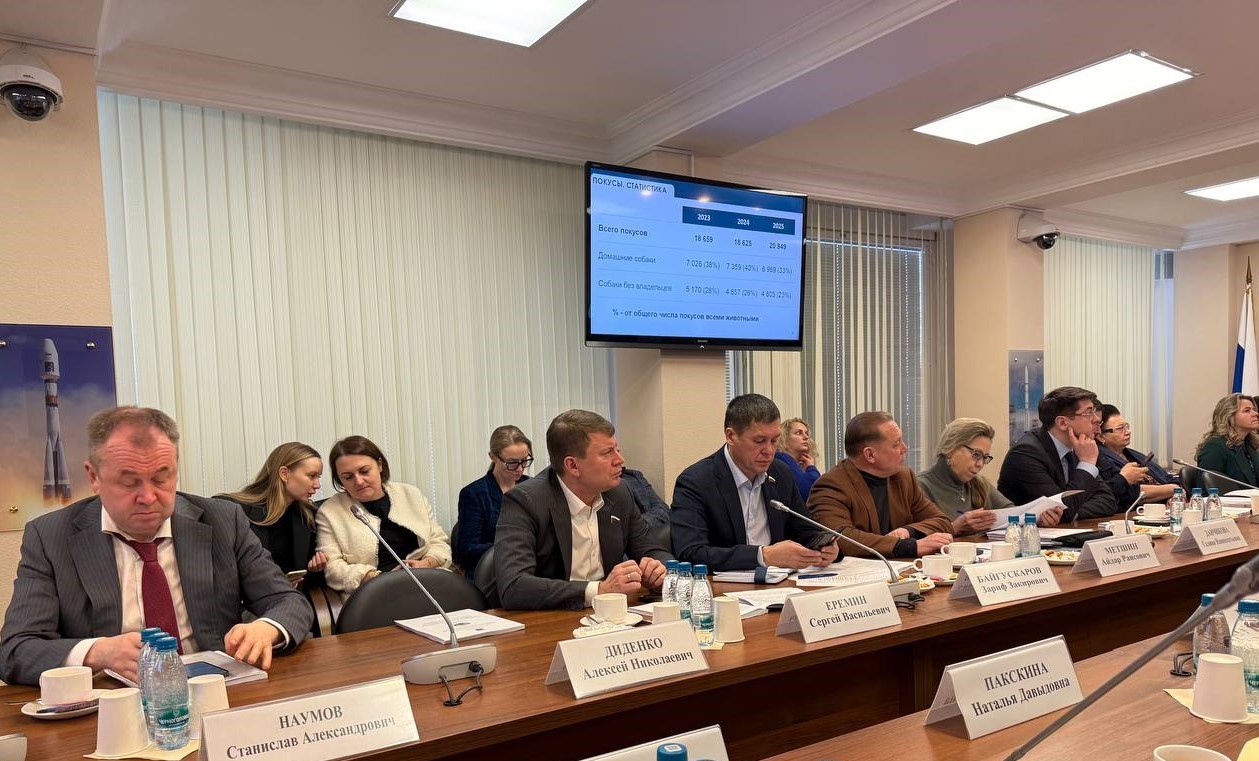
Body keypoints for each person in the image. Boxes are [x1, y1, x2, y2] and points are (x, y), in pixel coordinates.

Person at [0, 406, 311, 687]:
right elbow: (15, 650)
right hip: (113, 704)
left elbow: (289, 601)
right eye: (129, 482)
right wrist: (99, 652)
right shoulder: (51, 536)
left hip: (215, 691)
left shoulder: (222, 520)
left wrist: (266, 628)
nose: (148, 497)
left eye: (162, 478)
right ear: (94, 477)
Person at [493, 410, 672, 610]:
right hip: (550, 617)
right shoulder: (526, 501)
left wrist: (660, 569)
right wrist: (598, 591)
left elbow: (652, 549)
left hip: (610, 615)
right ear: (573, 466)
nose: (620, 460)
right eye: (607, 453)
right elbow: (514, 587)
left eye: (617, 449)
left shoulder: (619, 492)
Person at [671, 394, 839, 571]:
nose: (769, 451)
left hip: (780, 582)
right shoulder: (696, 482)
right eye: (759, 441)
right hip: (724, 586)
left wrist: (826, 547)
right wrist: (763, 556)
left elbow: (805, 530)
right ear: (731, 436)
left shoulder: (780, 473)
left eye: (774, 440)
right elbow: (690, 553)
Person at [316, 435, 452, 596]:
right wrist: (376, 578)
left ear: (380, 465)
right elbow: (332, 568)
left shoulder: (411, 494)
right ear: (339, 479)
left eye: (364, 471)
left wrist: (427, 563)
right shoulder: (330, 511)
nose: (359, 481)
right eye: (348, 477)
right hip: (375, 592)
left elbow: (438, 541)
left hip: (427, 581)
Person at [808, 411, 954, 558]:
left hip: (902, 567)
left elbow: (942, 521)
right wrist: (908, 546)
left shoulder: (904, 478)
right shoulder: (831, 486)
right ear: (870, 454)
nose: (905, 448)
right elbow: (841, 538)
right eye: (896, 444)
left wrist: (908, 531)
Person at [917, 418, 1063, 536]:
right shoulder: (920, 486)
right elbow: (912, 538)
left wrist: (1037, 520)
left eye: (985, 457)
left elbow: (1013, 514)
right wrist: (954, 528)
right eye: (976, 454)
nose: (980, 464)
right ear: (950, 449)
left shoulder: (979, 484)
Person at [997, 386, 1118, 520]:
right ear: (1062, 423)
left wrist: (1073, 511)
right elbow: (1062, 509)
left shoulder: (1079, 447)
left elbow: (1108, 501)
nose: (1096, 419)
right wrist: (1087, 463)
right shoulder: (1025, 454)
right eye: (1088, 412)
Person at [218, 442, 328, 587]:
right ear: (284, 474)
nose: (317, 485)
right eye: (312, 476)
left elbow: (310, 580)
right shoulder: (231, 509)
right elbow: (220, 572)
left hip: (288, 598)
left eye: (318, 477)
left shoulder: (308, 516)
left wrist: (314, 570)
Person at [454, 425, 532, 576]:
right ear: (492, 457)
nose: (520, 468)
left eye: (524, 461)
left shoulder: (532, 487)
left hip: (530, 568)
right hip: (492, 574)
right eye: (512, 462)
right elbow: (466, 551)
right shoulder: (474, 494)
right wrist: (511, 548)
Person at [1096, 404, 1176, 505]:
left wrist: (1173, 496)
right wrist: (1174, 489)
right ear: (1101, 437)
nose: (1128, 432)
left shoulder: (1132, 454)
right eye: (1120, 428)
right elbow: (1133, 493)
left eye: (1126, 426)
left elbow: (1167, 477)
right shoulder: (1100, 460)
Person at [1195, 393, 1259, 487]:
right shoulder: (1215, 447)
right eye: (1247, 411)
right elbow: (1205, 489)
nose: (1256, 414)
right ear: (1229, 416)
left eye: (1253, 410)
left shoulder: (1249, 444)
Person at [776, 417, 822, 500]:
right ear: (784, 437)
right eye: (798, 433)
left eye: (806, 433)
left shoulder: (797, 464)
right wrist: (811, 468)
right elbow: (812, 492)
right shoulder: (781, 458)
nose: (806, 437)